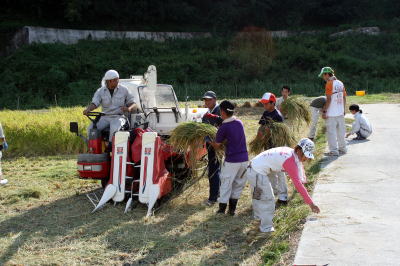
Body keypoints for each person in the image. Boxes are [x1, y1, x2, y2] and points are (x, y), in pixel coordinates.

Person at [247, 138, 320, 233]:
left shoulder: (291, 153)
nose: (305, 159)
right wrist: (311, 203)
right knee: (268, 199)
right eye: (304, 155)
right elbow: (297, 184)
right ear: (298, 150)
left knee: (258, 194)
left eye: (307, 157)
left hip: (254, 167)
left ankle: (258, 217)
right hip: (257, 171)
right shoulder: (290, 161)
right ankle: (266, 228)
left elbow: (299, 169)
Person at [209, 100, 248, 216]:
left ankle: (221, 210)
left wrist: (208, 140)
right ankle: (232, 210)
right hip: (244, 160)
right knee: (238, 184)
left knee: (226, 183)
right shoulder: (239, 122)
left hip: (232, 161)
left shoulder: (224, 127)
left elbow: (217, 145)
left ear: (222, 111)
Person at [83, 70, 137, 144]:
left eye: (117, 79)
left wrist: (128, 108)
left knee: (114, 129)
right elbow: (95, 103)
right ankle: (93, 148)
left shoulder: (124, 90)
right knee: (90, 128)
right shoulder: (100, 91)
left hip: (118, 117)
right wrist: (88, 109)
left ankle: (111, 148)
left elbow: (133, 103)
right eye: (115, 80)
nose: (117, 81)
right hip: (104, 117)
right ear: (109, 81)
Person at [258, 92, 288, 204]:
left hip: (278, 148)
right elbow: (261, 127)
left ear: (273, 103)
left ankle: (283, 196)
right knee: (270, 170)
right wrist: (259, 138)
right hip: (268, 147)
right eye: (263, 103)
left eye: (266, 103)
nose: (264, 105)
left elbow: (279, 134)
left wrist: (267, 133)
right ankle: (274, 192)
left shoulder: (278, 116)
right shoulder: (266, 113)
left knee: (280, 171)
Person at [201, 91, 223, 206]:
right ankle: (218, 194)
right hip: (212, 144)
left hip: (216, 145)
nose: (207, 102)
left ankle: (213, 198)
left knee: (213, 171)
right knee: (217, 169)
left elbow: (221, 126)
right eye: (205, 100)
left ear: (215, 99)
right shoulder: (209, 111)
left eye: (209, 99)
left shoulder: (218, 110)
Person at [319, 67, 347, 156]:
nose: (323, 77)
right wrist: (343, 109)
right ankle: (343, 149)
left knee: (331, 133)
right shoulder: (340, 83)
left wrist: (324, 111)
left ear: (327, 74)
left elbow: (329, 99)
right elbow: (344, 97)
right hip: (340, 112)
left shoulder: (329, 84)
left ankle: (334, 151)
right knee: (341, 132)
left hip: (331, 113)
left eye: (323, 75)